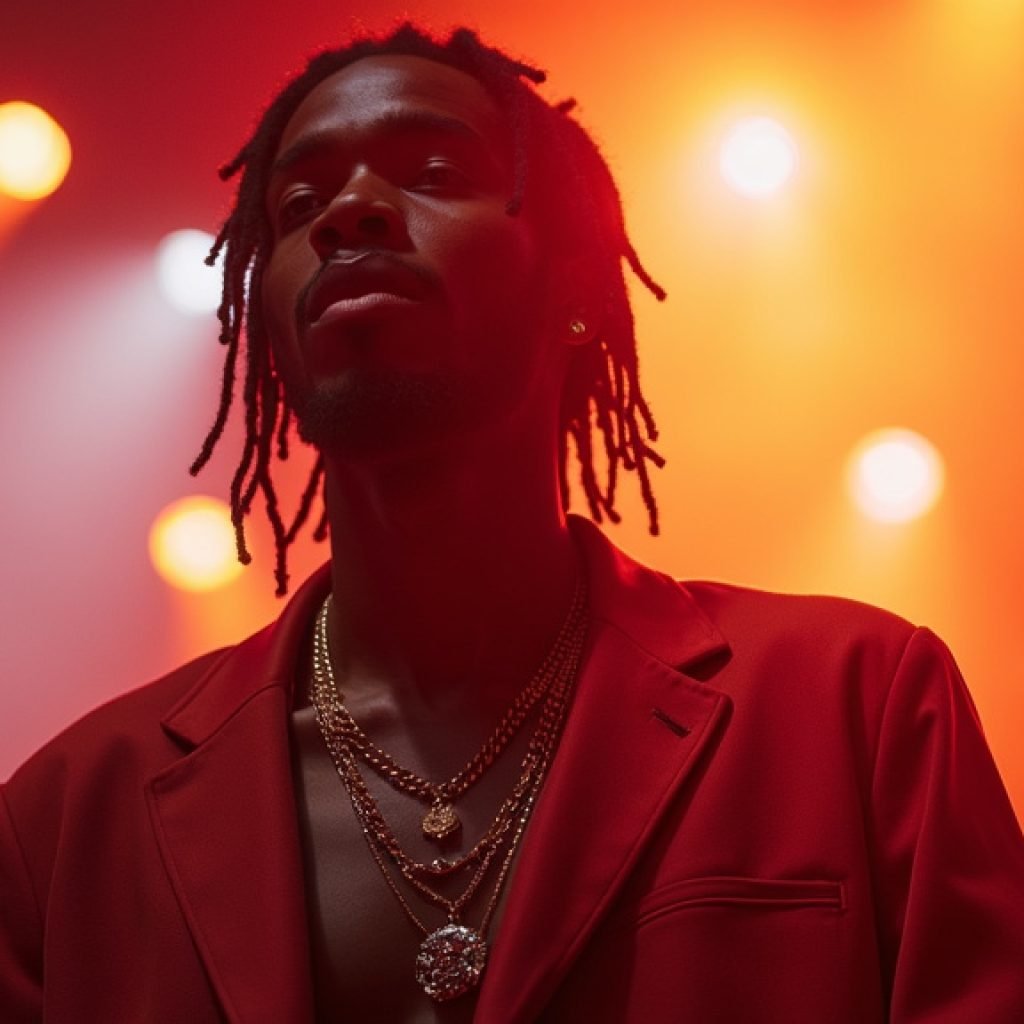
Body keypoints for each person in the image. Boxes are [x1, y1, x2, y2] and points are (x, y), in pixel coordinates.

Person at [2, 23, 1023, 1024]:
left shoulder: (860, 703)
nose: (349, 211)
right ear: (266, 324)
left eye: (434, 172)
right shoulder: (62, 822)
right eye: (300, 203)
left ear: (577, 287)